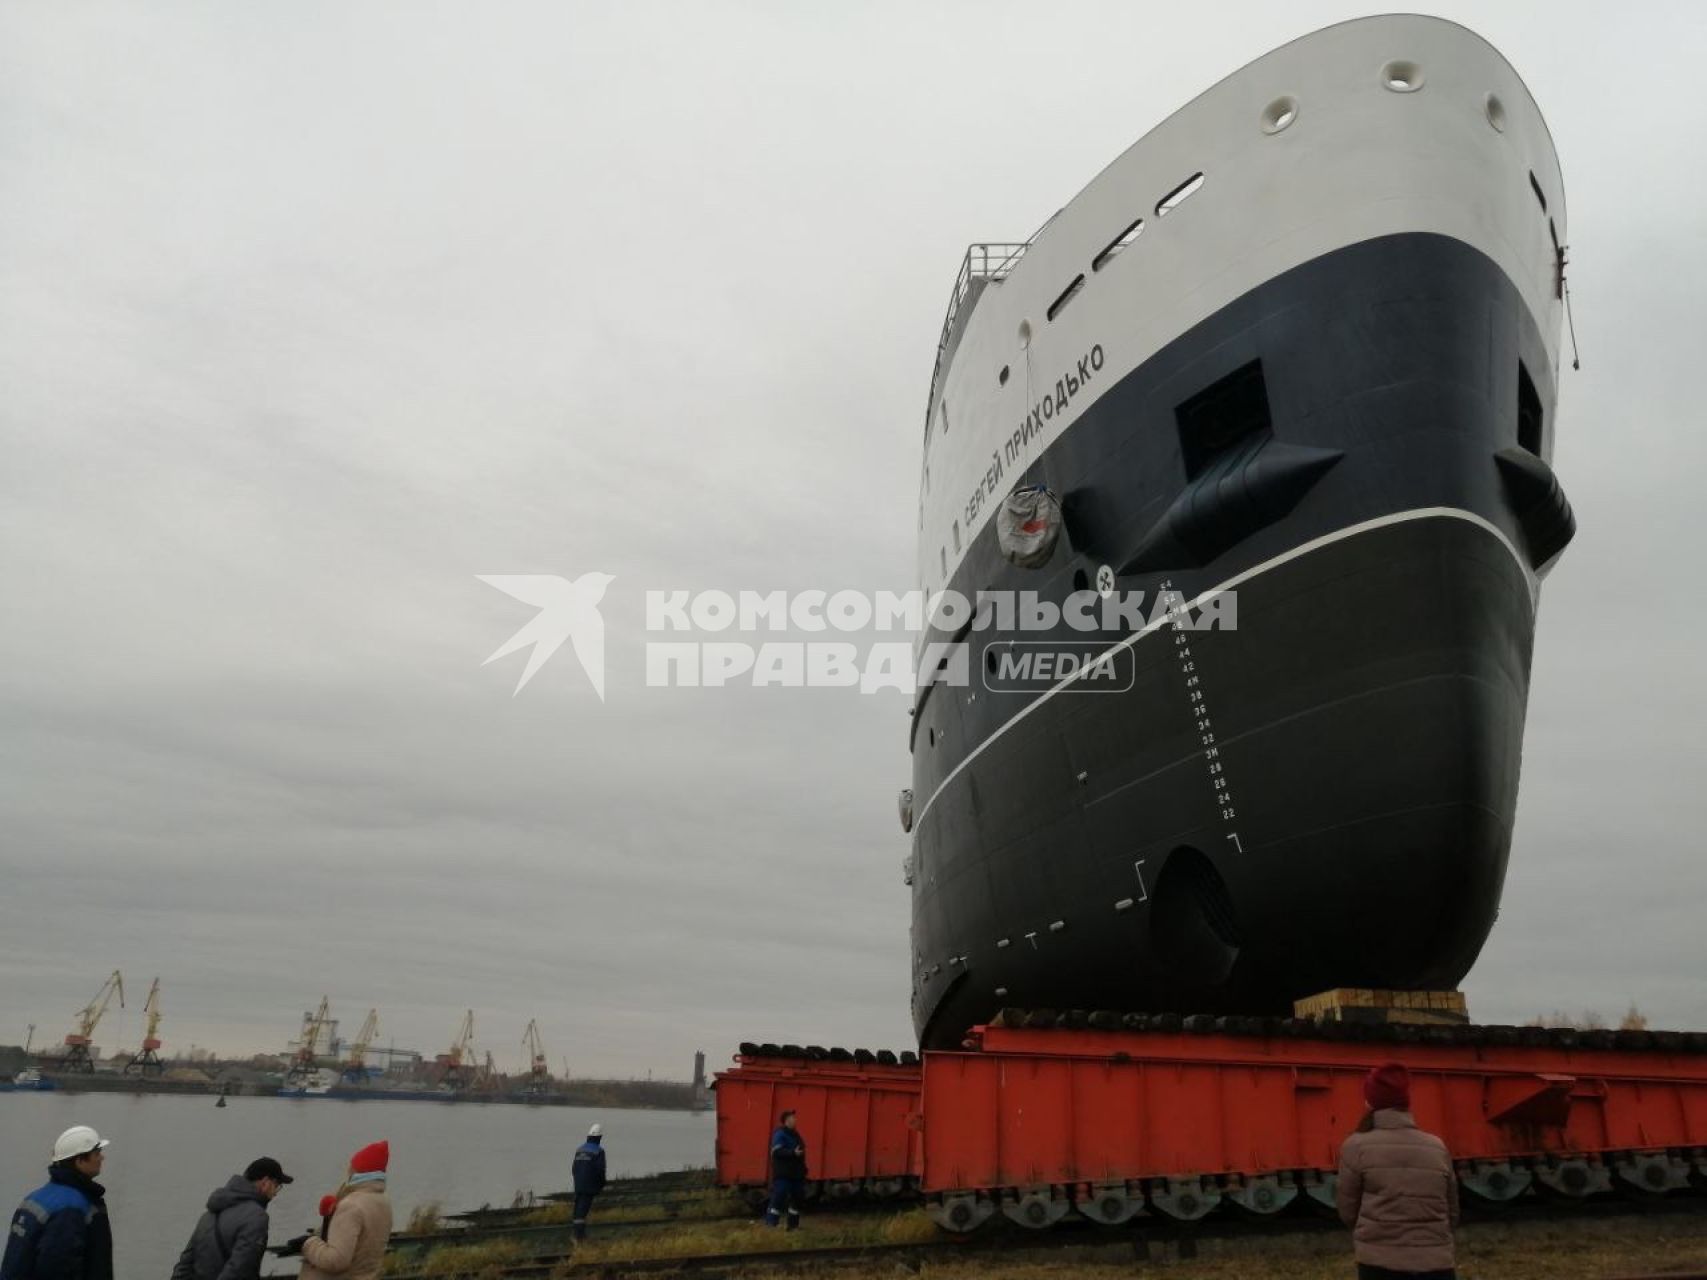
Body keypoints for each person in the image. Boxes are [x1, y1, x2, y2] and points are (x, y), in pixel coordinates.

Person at [1337, 1062, 1460, 1280]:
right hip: (1436, 1264)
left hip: (1378, 1264)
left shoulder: (1355, 1146)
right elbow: (1452, 1212)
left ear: (1370, 1102)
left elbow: (1348, 1211)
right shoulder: (1437, 1146)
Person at [0, 1125, 114, 1280]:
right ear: (80, 1161)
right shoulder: (71, 1208)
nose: (101, 1158)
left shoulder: (35, 1198)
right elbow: (58, 1269)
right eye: (97, 1153)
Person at [171, 1157, 293, 1280]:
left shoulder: (208, 1215)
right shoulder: (257, 1217)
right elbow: (240, 1268)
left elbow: (184, 1266)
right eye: (277, 1185)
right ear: (265, 1182)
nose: (276, 1192)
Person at [296, 1142, 393, 1280]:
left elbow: (337, 1260)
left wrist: (307, 1243)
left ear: (359, 1170)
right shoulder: (383, 1202)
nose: (349, 1169)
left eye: (352, 1166)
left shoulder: (351, 1206)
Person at [765, 1110, 807, 1230]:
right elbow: (776, 1151)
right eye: (793, 1118)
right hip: (784, 1172)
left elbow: (801, 1151)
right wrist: (792, 1153)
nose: (795, 1120)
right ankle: (771, 1223)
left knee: (798, 1197)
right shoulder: (780, 1134)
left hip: (796, 1173)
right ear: (787, 1120)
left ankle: (793, 1226)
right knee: (780, 1194)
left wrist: (803, 1168)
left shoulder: (795, 1134)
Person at [570, 1125, 607, 1241]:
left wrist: (577, 1180)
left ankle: (577, 1234)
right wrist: (601, 1184)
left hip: (578, 1184)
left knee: (577, 1209)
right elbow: (600, 1170)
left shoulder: (579, 1149)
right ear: (599, 1137)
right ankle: (579, 1237)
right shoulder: (599, 1151)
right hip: (589, 1185)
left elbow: (574, 1168)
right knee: (582, 1211)